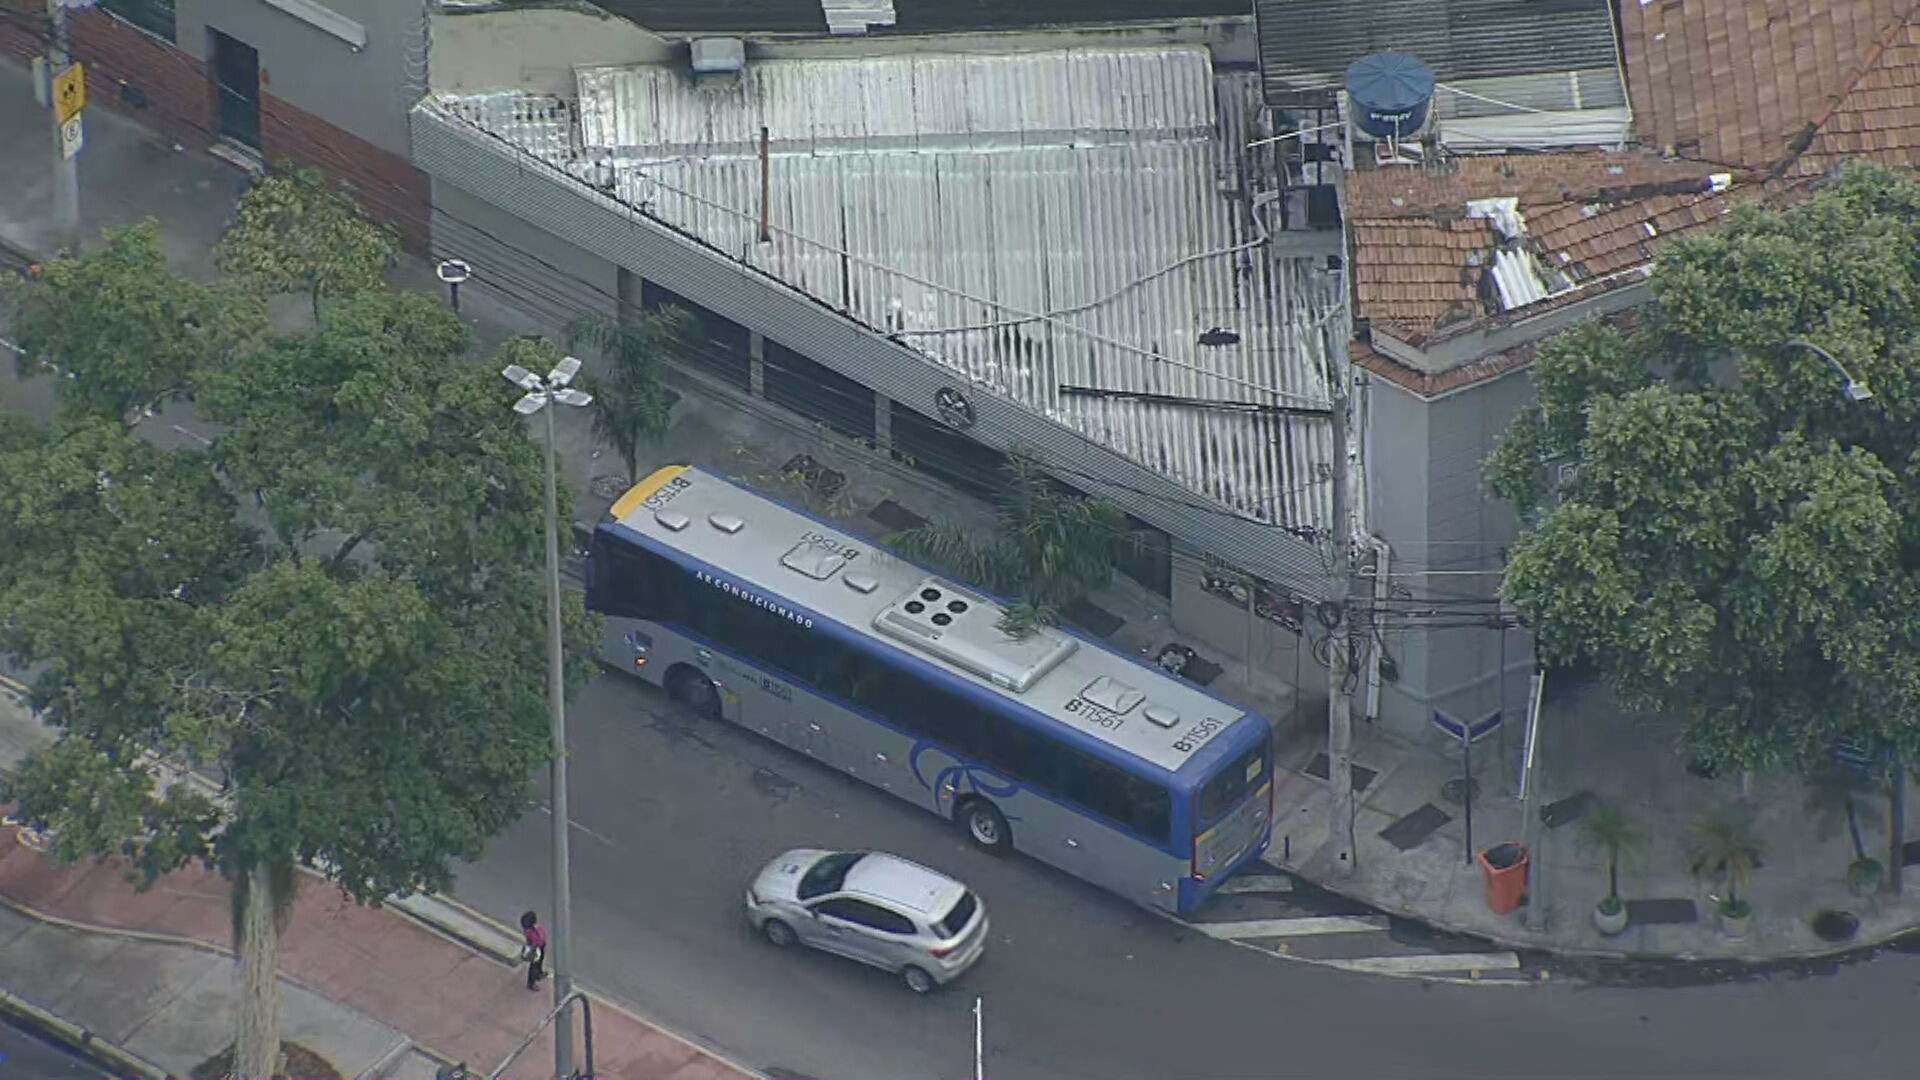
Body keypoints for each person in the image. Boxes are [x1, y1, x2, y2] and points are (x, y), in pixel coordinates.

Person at [520, 910, 547, 991]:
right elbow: (533, 941)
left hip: (541, 946)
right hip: (535, 949)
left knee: (540, 960)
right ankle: (531, 983)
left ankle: (539, 973)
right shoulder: (529, 931)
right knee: (534, 966)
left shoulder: (535, 927)